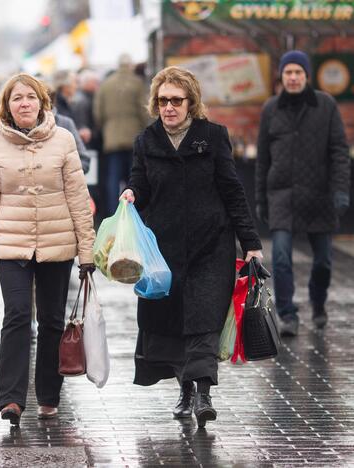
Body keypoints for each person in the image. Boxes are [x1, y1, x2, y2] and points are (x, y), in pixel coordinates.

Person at [120, 66, 263, 428]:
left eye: (176, 100)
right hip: (163, 250)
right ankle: (185, 387)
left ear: (190, 102)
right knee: (170, 322)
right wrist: (132, 193)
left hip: (210, 244)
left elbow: (233, 190)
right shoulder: (146, 141)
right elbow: (140, 183)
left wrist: (251, 244)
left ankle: (202, 393)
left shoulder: (213, 137)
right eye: (163, 100)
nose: (169, 107)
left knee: (203, 318)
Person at [0, 73, 96, 425]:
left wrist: (87, 254)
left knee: (51, 319)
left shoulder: (63, 140)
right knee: (18, 315)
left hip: (57, 242)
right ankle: (11, 399)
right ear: (6, 106)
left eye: (30, 97)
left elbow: (78, 199)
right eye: (17, 98)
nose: (24, 103)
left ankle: (49, 395)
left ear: (42, 103)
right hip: (12, 244)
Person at [256, 50, 350, 337]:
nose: (293, 77)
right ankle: (287, 314)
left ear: (306, 76)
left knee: (323, 260)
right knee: (281, 257)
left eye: (298, 72)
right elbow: (263, 158)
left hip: (319, 195)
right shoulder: (271, 108)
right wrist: (261, 197)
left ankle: (318, 302)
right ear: (281, 77)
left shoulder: (326, 104)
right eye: (288, 73)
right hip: (282, 195)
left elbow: (339, 151)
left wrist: (340, 190)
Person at [95, 54, 148, 218]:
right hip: (133, 137)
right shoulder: (137, 83)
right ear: (130, 65)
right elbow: (143, 110)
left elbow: (98, 113)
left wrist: (105, 129)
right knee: (134, 179)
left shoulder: (105, 85)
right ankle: (134, 215)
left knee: (113, 180)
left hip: (112, 138)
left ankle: (113, 214)